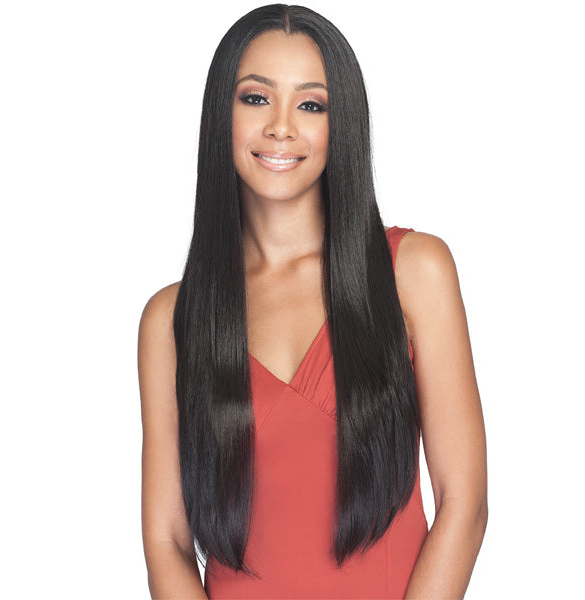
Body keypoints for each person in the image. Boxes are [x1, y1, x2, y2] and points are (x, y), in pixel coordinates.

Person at [138, 4, 487, 599]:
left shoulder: (414, 271)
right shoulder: (171, 319)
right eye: (256, 98)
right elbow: (166, 539)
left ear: (341, 123)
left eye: (311, 105)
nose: (281, 127)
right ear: (220, 115)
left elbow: (465, 501)